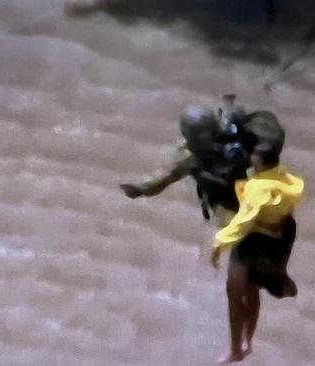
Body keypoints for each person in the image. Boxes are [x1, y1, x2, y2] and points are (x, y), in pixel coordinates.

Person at [120, 96, 286, 225]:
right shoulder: (189, 157)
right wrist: (140, 190)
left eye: (211, 131)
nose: (209, 138)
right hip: (221, 197)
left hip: (243, 180)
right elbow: (164, 180)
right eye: (202, 135)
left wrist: (243, 138)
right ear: (191, 136)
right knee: (236, 229)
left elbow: (272, 131)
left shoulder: (228, 128)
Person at [210, 143, 305, 364]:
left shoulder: (258, 188)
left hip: (254, 240)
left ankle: (235, 350)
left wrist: (218, 245)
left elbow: (243, 223)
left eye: (253, 155)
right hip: (280, 240)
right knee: (253, 290)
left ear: (259, 161)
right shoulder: (286, 178)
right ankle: (247, 343)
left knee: (234, 293)